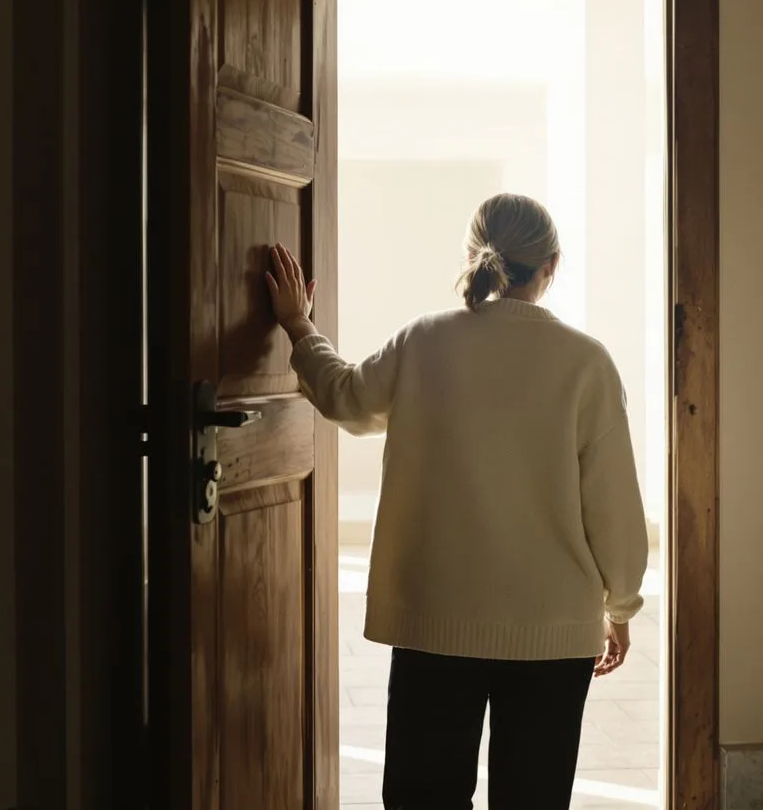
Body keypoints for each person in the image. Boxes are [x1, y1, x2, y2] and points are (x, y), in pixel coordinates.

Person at [266, 193, 649, 810]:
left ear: (475, 256)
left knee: (425, 798)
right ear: (551, 265)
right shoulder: (587, 363)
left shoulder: (424, 342)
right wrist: (621, 605)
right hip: (552, 631)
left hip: (433, 618)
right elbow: (613, 506)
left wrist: (298, 323)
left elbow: (343, 396)